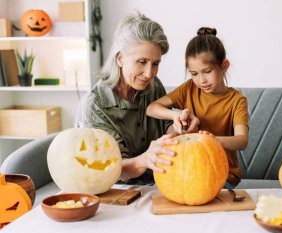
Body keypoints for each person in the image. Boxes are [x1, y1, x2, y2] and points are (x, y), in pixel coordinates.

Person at [76, 13, 177, 185]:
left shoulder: (153, 85)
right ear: (120, 58)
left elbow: (167, 132)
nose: (149, 73)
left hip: (160, 183)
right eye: (141, 62)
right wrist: (146, 159)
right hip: (117, 192)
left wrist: (179, 125)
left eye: (155, 64)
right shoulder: (95, 106)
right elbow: (113, 169)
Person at [146, 27, 249, 188]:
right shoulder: (188, 89)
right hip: (186, 170)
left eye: (207, 71)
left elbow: (242, 140)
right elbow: (151, 108)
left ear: (224, 65)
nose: (201, 80)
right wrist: (176, 116)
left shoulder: (237, 101)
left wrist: (214, 141)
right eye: (194, 74)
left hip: (222, 174)